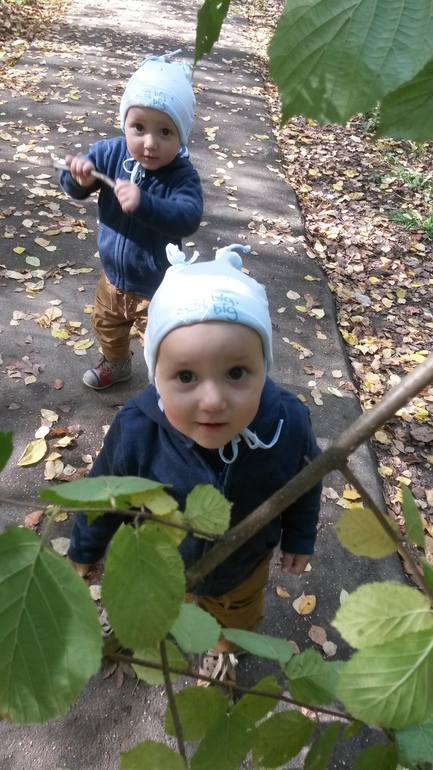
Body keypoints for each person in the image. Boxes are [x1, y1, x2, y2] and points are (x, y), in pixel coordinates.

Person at [67, 243, 322, 685]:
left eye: (237, 373)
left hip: (242, 567)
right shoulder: (138, 429)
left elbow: (305, 483)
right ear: (157, 375)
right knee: (146, 601)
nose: (213, 400)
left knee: (234, 618)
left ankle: (222, 652)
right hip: (156, 562)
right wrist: (84, 548)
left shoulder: (287, 424)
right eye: (186, 376)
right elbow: (104, 492)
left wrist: (300, 537)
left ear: (264, 366)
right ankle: (131, 625)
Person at [59, 51, 203, 389]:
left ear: (181, 135)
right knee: (106, 324)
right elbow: (76, 185)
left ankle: (169, 384)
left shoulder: (181, 175)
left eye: (165, 132)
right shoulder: (110, 153)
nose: (149, 143)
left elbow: (188, 216)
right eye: (139, 127)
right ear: (125, 121)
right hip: (112, 277)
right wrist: (77, 179)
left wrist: (145, 204)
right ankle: (117, 363)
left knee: (161, 339)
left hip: (156, 286)